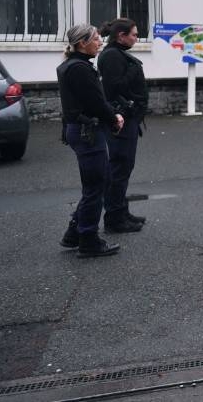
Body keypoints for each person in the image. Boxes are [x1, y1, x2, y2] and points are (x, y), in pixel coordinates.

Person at [57, 24, 124, 258]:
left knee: (94, 185)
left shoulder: (71, 65)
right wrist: (114, 117)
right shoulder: (79, 68)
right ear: (83, 43)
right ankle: (88, 240)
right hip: (88, 132)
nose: (100, 42)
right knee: (96, 187)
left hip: (81, 130)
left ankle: (74, 233)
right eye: (96, 39)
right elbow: (95, 101)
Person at [97, 18, 149, 233]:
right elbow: (113, 87)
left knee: (123, 167)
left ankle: (121, 211)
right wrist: (134, 69)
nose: (137, 38)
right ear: (121, 35)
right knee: (119, 167)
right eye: (134, 34)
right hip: (121, 119)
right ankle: (114, 219)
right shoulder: (111, 55)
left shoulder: (117, 54)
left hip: (128, 118)